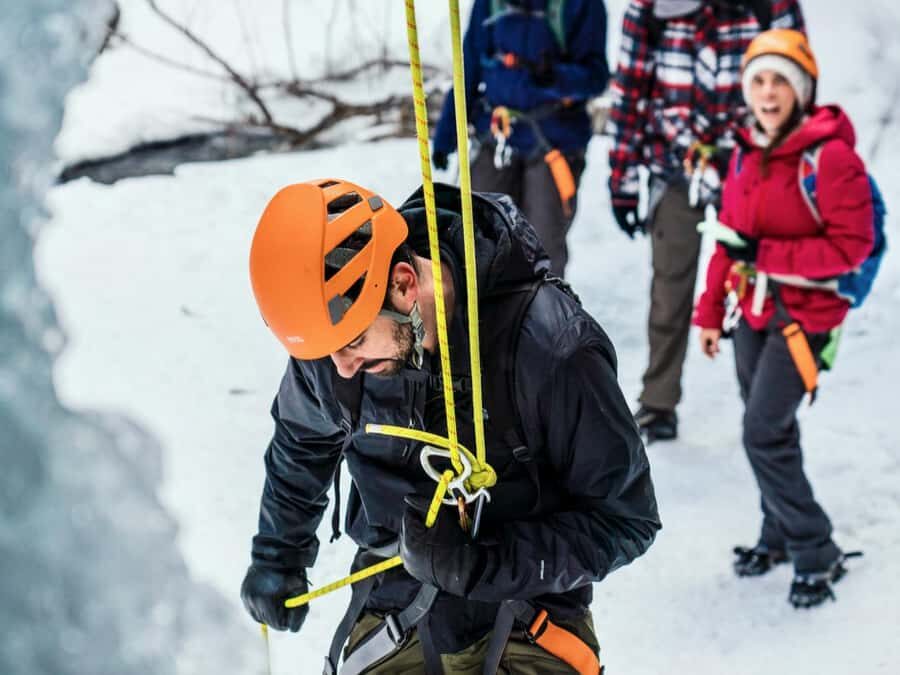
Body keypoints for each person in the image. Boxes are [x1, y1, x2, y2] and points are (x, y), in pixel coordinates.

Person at [238, 178, 660, 673]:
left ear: (402, 283)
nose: (342, 367)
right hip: (394, 602)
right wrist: (277, 552)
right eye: (325, 353)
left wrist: (487, 564)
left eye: (354, 343)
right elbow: (302, 441)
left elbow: (626, 520)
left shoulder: (552, 348)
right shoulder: (333, 342)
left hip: (531, 610)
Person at [693, 29, 871, 608]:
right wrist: (709, 313)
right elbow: (728, 240)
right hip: (753, 310)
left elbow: (852, 248)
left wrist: (765, 258)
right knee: (766, 428)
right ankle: (777, 533)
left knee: (763, 432)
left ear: (802, 88)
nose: (768, 93)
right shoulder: (745, 151)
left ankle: (816, 549)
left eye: (780, 81)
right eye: (758, 81)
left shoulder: (831, 156)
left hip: (805, 317)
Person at [605, 0, 805, 442]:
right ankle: (658, 403)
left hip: (753, 163)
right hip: (676, 165)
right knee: (670, 289)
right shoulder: (651, 7)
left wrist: (794, 163)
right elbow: (631, 87)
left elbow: (797, 78)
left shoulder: (772, 5)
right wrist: (621, 177)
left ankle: (764, 406)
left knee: (758, 282)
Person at [432, 0, 609, 278]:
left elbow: (596, 76)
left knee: (542, 248)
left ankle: (543, 317)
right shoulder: (489, 4)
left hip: (555, 142)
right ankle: (483, 318)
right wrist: (445, 137)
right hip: (497, 136)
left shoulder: (581, 5)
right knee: (478, 238)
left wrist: (554, 77)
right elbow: (467, 69)